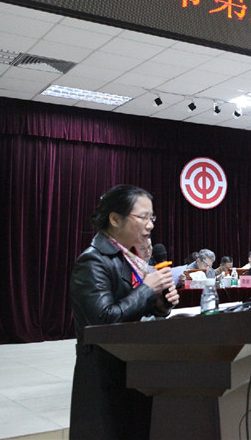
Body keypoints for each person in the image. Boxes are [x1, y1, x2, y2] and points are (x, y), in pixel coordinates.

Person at [69, 184, 178, 440]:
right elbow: (104, 319)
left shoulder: (130, 258)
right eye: (143, 217)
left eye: (152, 217)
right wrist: (147, 290)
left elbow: (133, 308)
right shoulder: (93, 260)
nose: (150, 225)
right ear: (115, 219)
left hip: (135, 364)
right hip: (105, 372)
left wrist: (160, 304)